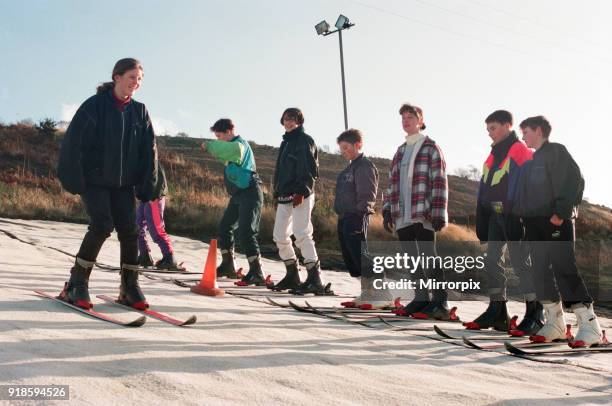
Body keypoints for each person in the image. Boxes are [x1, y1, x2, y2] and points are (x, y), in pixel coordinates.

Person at [56, 58, 158, 310]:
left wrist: (148, 183)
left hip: (124, 183)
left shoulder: (140, 111)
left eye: (140, 79)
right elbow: (73, 142)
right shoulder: (95, 106)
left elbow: (149, 150)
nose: (137, 83)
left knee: (129, 231)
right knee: (102, 225)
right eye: (133, 77)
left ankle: (130, 286)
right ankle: (77, 283)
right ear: (117, 77)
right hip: (95, 180)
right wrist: (74, 177)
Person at [516, 115, 602, 348]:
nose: (523, 136)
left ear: (539, 130)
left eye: (526, 131)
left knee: (565, 270)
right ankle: (555, 323)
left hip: (555, 223)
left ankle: (590, 326)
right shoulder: (532, 162)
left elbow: (575, 181)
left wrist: (561, 213)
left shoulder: (556, 152)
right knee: (540, 272)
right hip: (535, 226)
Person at [465, 110, 543, 335]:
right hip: (493, 217)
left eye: (493, 128)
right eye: (488, 129)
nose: (490, 134)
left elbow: (527, 186)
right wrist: (482, 217)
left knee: (520, 263)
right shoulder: (491, 155)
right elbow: (485, 188)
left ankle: (535, 312)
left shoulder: (520, 150)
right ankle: (497, 310)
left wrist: (520, 215)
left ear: (508, 125)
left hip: (513, 217)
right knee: (491, 261)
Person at [382, 103, 449, 319]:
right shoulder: (400, 151)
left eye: (411, 116)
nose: (406, 120)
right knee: (411, 258)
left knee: (428, 256)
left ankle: (440, 303)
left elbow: (439, 180)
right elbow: (391, 183)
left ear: (420, 120)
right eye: (403, 117)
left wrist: (438, 213)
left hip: (424, 212)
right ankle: (421, 298)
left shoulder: (430, 147)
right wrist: (387, 211)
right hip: (402, 214)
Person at [268, 108, 331, 295]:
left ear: (299, 121)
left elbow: (310, 169)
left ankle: (315, 279)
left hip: (301, 194)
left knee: (302, 233)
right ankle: (292, 275)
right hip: (284, 195)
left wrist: (302, 191)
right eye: (287, 119)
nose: (289, 122)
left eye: (293, 119)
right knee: (279, 235)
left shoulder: (305, 141)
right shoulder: (285, 142)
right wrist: (277, 192)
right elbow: (280, 170)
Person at [200, 118, 265, 286]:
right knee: (225, 227)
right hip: (238, 194)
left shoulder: (240, 145)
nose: (218, 139)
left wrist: (209, 146)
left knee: (246, 230)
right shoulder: (231, 149)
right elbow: (223, 153)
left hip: (251, 192)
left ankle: (257, 272)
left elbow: (230, 150)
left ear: (229, 132)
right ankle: (228, 265)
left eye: (220, 136)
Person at [333, 129, 391, 308]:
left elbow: (367, 193)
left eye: (346, 147)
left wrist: (361, 213)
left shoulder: (364, 166)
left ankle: (383, 294)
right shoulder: (348, 168)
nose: (343, 152)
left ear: (358, 145)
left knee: (361, 255)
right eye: (341, 149)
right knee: (352, 256)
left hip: (356, 216)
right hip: (344, 216)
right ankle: (367, 292)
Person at [136, 164, 180, 270]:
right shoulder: (133, 152)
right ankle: (144, 255)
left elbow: (156, 173)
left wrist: (154, 194)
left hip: (154, 195)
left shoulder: (148, 150)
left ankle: (169, 258)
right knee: (137, 226)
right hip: (145, 195)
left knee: (156, 228)